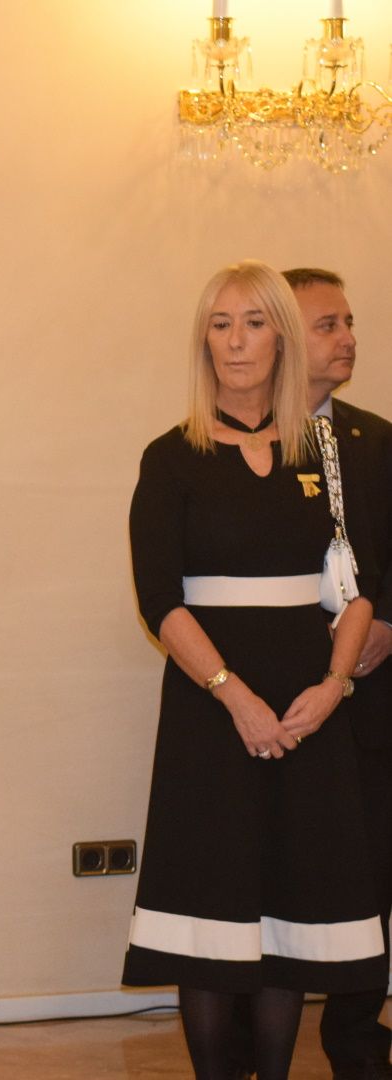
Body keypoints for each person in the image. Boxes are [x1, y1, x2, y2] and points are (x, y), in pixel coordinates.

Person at [123, 260, 386, 1079]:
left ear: (281, 339)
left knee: (290, 916)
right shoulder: (170, 458)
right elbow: (161, 601)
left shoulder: (324, 454)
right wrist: (233, 697)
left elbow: (358, 590)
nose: (237, 342)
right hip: (212, 716)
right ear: (204, 342)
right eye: (220, 324)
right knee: (212, 914)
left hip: (310, 715)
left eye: (254, 323)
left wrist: (333, 688)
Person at [285, 268, 392, 1080]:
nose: (348, 338)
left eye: (348, 322)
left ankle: (357, 1040)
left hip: (374, 693)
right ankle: (255, 1040)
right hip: (283, 689)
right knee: (287, 863)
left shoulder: (377, 440)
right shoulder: (242, 443)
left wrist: (388, 621)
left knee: (373, 864)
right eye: (328, 325)